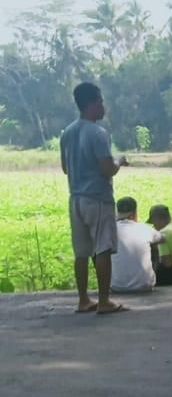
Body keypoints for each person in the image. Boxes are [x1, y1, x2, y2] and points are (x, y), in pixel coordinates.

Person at [60, 81, 129, 315]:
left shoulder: (67, 133)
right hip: (98, 198)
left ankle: (83, 300)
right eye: (101, 101)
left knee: (81, 252)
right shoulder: (98, 133)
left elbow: (65, 168)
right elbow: (107, 169)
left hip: (76, 199)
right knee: (102, 249)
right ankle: (104, 300)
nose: (103, 106)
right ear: (92, 103)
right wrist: (119, 160)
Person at [111, 196, 165, 292]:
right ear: (135, 213)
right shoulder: (145, 228)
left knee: (102, 249)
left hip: (116, 286)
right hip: (144, 285)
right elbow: (162, 239)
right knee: (153, 244)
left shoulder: (108, 229)